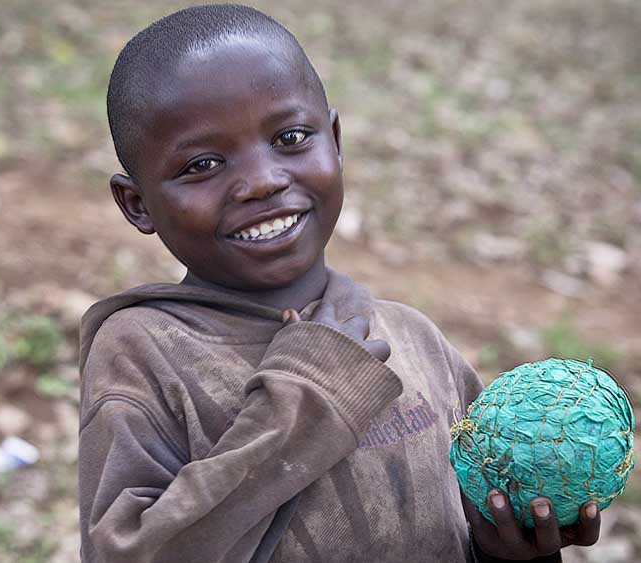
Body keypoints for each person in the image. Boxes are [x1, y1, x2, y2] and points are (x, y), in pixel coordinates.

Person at [78, 4, 601, 562]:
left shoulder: (415, 340)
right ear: (137, 205)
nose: (262, 181)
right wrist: (310, 398)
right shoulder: (144, 352)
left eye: (291, 137)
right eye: (203, 165)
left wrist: (507, 550)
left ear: (335, 140)